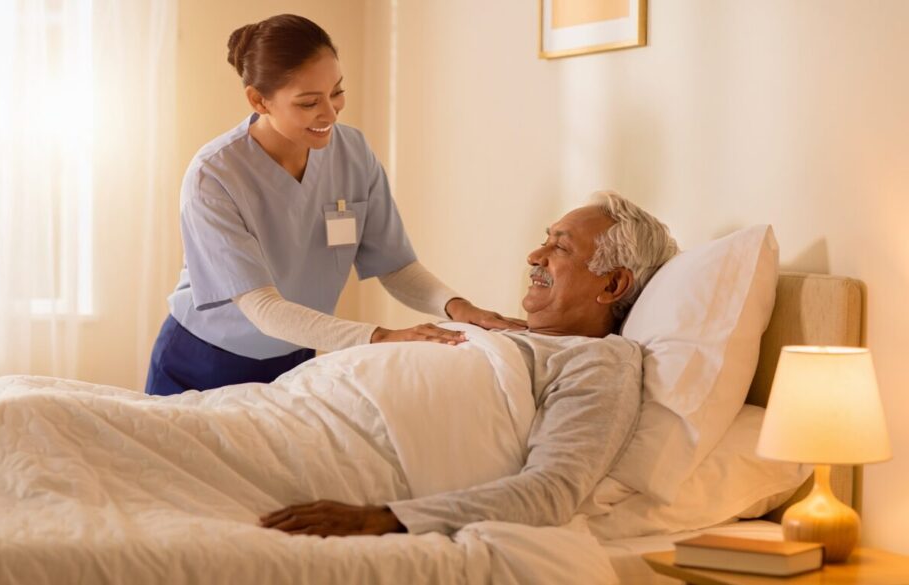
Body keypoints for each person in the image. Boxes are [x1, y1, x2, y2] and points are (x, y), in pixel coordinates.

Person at [260, 190, 680, 536]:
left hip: (334, 456)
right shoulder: (504, 334)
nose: (535, 255)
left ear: (612, 284)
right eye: (545, 239)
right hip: (287, 411)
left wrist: (382, 518)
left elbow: (550, 492)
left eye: (560, 247)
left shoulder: (599, 361)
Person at [146, 14, 523, 397]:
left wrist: (456, 307)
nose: (330, 113)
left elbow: (396, 266)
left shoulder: (352, 152)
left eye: (337, 92)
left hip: (297, 354)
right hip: (202, 361)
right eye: (309, 102)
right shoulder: (215, 175)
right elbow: (263, 308)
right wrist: (378, 337)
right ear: (259, 100)